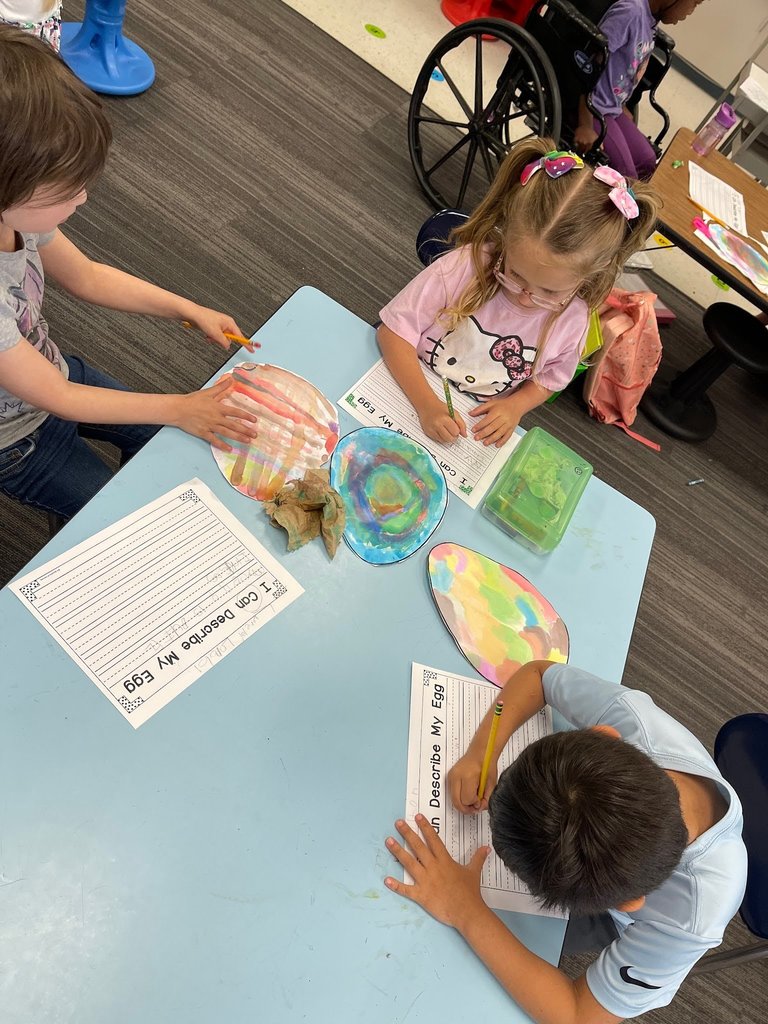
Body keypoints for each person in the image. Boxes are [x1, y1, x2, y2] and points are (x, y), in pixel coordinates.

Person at [384, 660, 747, 1024]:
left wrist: (466, 910)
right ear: (605, 735)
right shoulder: (636, 722)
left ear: (628, 903)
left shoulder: (692, 920)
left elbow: (579, 1015)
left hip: (620, 914)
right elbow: (539, 675)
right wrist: (483, 751)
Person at [0, 25, 258, 520]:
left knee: (165, 443)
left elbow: (88, 276)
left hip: (49, 373)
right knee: (118, 519)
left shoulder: (17, 215)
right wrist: (180, 407)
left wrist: (183, 307)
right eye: (67, 191)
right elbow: (62, 399)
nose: (83, 198)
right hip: (15, 442)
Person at [377, 138, 658, 449]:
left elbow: (549, 380)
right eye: (515, 275)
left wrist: (516, 406)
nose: (525, 297)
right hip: (403, 386)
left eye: (549, 290)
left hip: (467, 427)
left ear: (590, 277)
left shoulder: (573, 320)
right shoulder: (464, 267)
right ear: (507, 235)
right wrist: (426, 405)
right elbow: (393, 333)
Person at [574, 0, 708, 179]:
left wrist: (622, 103)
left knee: (647, 161)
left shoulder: (650, 20)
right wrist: (585, 124)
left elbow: (620, 66)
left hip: (612, 106)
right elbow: (588, 64)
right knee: (626, 175)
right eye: (694, 4)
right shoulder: (630, 13)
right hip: (593, 107)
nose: (690, 12)